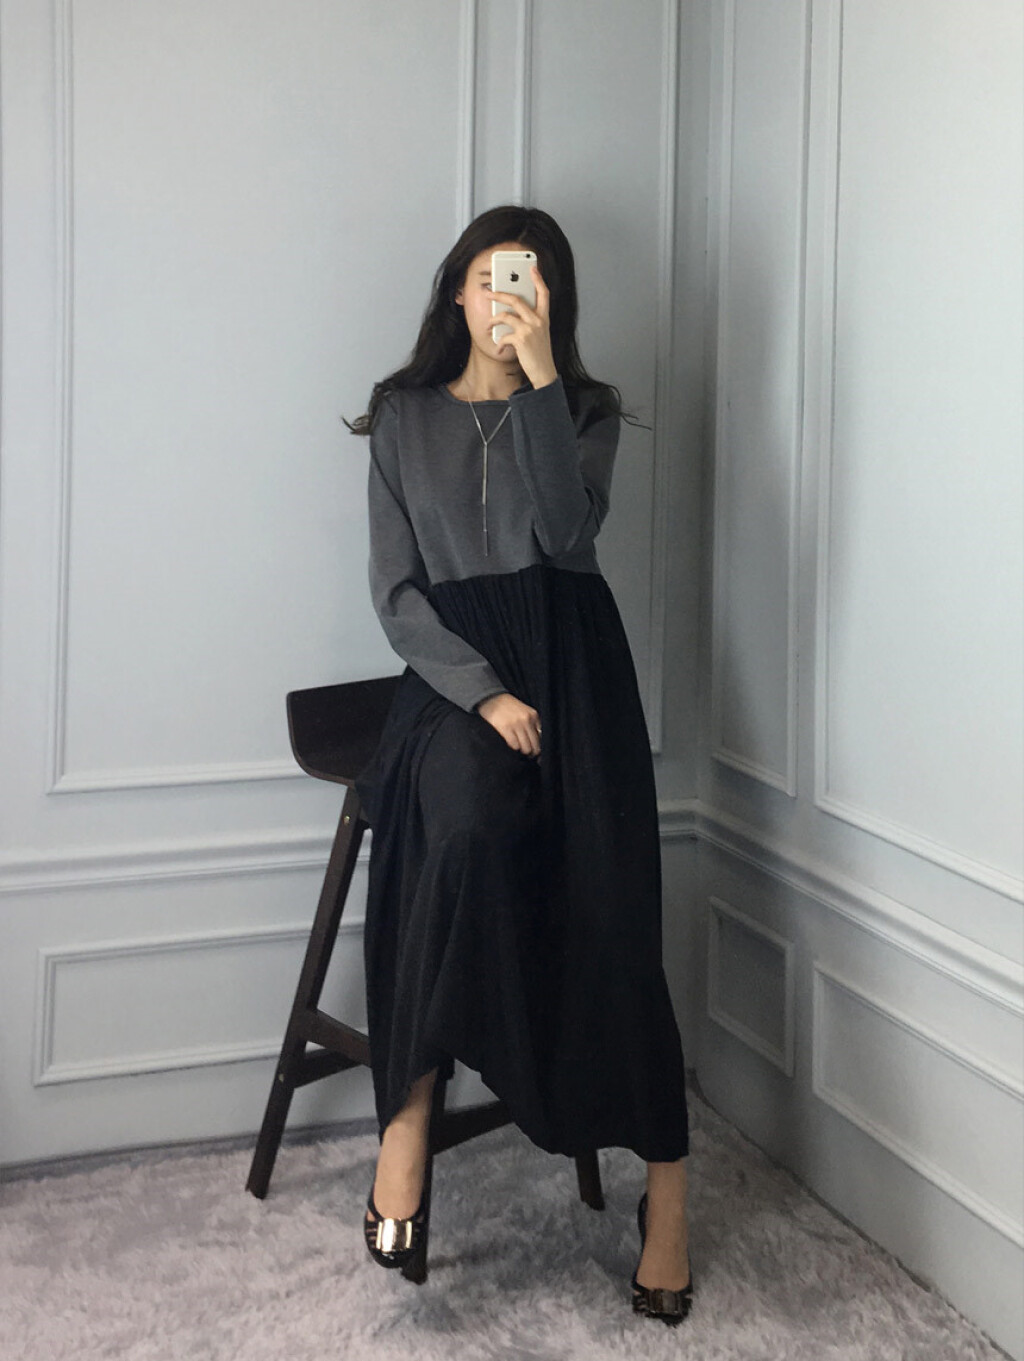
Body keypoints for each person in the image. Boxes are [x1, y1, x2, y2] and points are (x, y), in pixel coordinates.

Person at [346, 204, 693, 1324]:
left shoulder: (581, 412)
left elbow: (564, 538)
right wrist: (484, 692)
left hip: (577, 669)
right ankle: (409, 1115)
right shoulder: (402, 418)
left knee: (613, 902)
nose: (507, 298)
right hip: (456, 682)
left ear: (552, 303)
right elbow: (397, 594)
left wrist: (541, 379)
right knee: (462, 830)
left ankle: (669, 1195)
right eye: (493, 277)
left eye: (531, 284)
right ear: (458, 290)